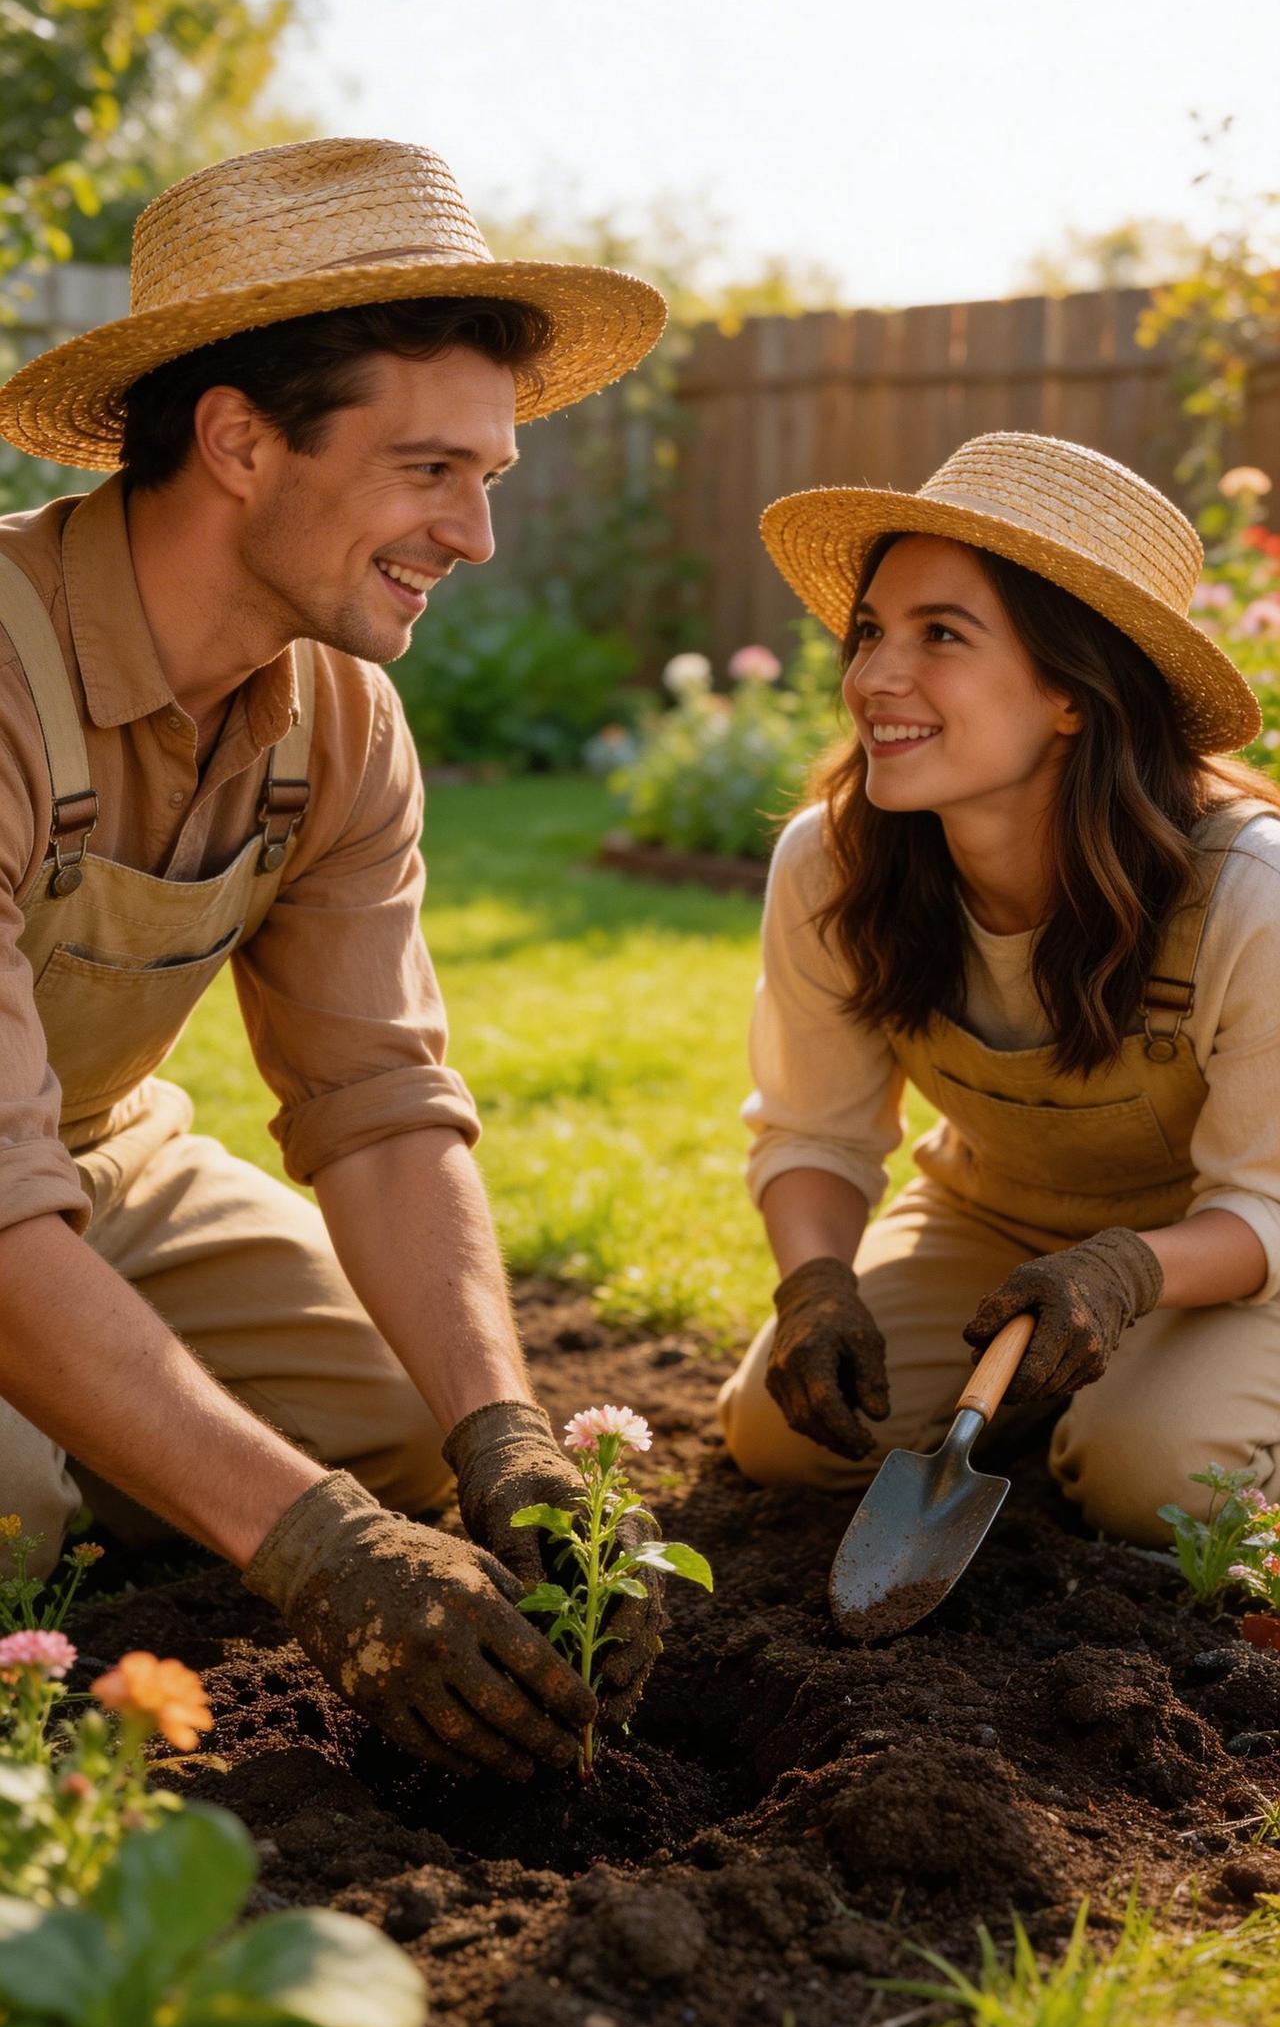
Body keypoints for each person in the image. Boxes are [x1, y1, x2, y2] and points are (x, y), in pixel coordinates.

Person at [0, 136, 669, 1779]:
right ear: (237, 438)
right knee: (20, 1521)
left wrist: (505, 1434)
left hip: (91, 1157)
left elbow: (376, 1098)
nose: (479, 533)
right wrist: (314, 1556)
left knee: (394, 1429)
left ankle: (120, 1450)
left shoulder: (339, 719)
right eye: (432, 469)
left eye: (490, 476)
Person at [717, 430, 1280, 1547]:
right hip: (993, 1216)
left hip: (1221, 1250)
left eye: (941, 636)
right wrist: (815, 1285)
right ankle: (1046, 1393)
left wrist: (1124, 1272)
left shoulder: (1246, 894)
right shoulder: (833, 863)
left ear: (1071, 691)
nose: (873, 677)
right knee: (784, 1438)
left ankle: (1115, 1403)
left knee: (1144, 1481)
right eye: (869, 631)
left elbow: (1268, 1203)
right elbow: (813, 1134)